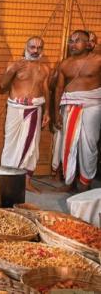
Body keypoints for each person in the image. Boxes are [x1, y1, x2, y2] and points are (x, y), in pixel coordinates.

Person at [0, 37, 51, 192]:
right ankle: (6, 178)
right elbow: (2, 87)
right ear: (25, 47)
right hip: (15, 108)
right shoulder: (14, 64)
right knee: (10, 144)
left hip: (34, 109)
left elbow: (46, 90)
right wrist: (13, 70)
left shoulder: (46, 69)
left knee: (31, 147)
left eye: (39, 47)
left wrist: (47, 111)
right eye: (32, 47)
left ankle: (26, 182)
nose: (35, 51)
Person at [53, 30, 101, 192]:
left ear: (88, 44)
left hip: (92, 107)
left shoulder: (98, 60)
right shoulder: (65, 64)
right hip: (69, 107)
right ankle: (70, 181)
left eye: (78, 41)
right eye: (71, 41)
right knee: (68, 145)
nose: (73, 44)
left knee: (88, 146)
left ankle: (85, 183)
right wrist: (56, 113)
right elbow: (59, 89)